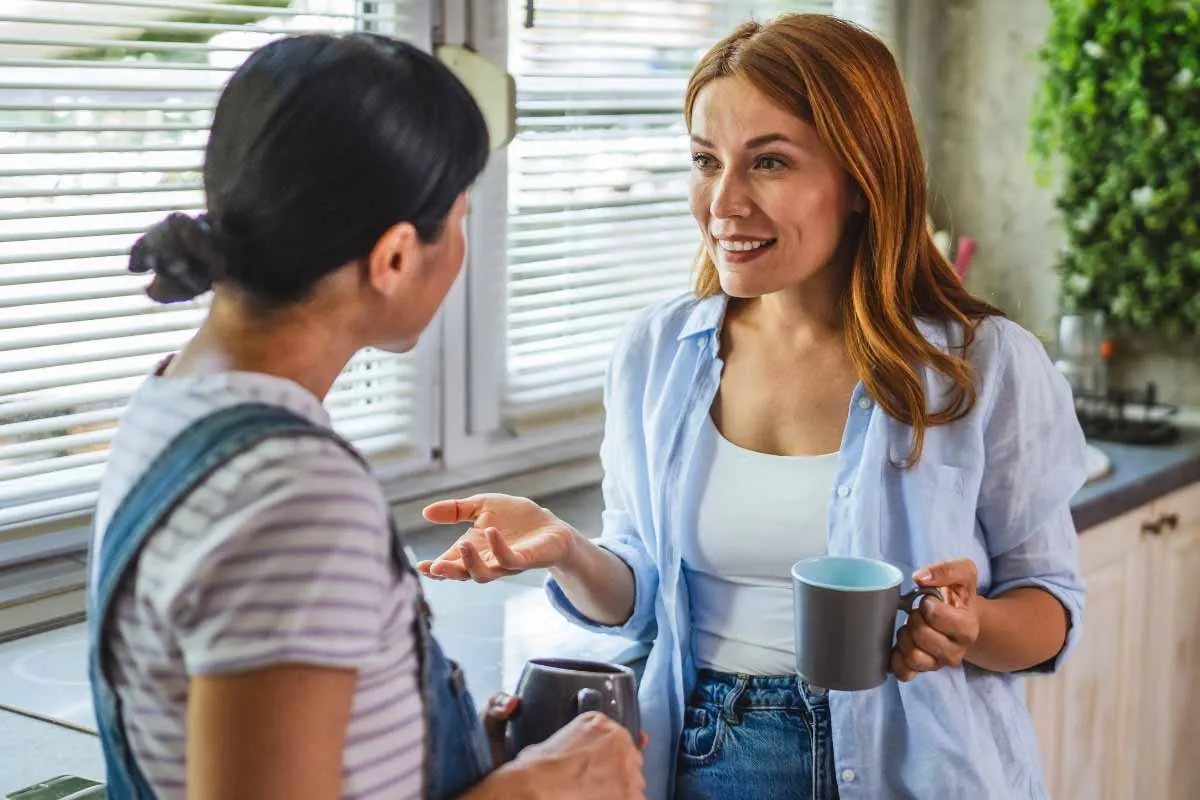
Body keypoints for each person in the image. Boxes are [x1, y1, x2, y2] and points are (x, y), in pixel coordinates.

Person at [418, 13, 1086, 800]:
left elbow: (1051, 609)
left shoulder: (978, 365)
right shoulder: (657, 352)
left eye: (768, 162)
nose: (723, 203)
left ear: (862, 179)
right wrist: (567, 548)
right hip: (703, 760)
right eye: (706, 161)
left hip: (919, 769)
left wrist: (973, 629)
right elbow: (642, 601)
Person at [87, 33, 646, 800]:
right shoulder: (291, 493)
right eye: (457, 219)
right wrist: (540, 790)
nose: (463, 247)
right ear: (393, 259)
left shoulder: (174, 404)